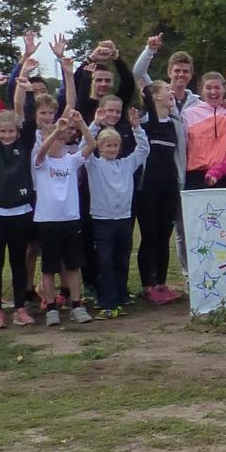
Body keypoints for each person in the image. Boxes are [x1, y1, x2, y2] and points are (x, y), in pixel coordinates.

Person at [0, 96, 39, 330]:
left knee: (18, 262)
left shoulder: (25, 145)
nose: (6, 135)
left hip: (20, 212)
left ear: (17, 132)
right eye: (2, 131)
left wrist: (29, 92)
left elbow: (31, 121)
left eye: (11, 131)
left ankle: (20, 308)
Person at [82, 119, 150, 318]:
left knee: (121, 260)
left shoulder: (127, 163)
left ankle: (121, 296)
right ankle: (106, 301)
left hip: (124, 219)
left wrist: (137, 128)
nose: (112, 149)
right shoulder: (94, 164)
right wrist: (94, 124)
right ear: (100, 147)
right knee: (104, 262)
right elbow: (83, 149)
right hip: (102, 220)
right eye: (108, 145)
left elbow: (144, 149)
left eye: (115, 145)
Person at [32, 108, 92, 324]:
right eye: (56, 139)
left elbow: (92, 145)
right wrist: (54, 131)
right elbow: (41, 153)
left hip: (70, 219)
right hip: (48, 221)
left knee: (73, 265)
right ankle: (51, 308)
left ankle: (76, 305)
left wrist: (82, 123)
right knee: (49, 267)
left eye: (62, 139)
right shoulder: (41, 162)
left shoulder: (71, 160)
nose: (60, 143)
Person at [132, 78, 187, 305]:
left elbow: (179, 155)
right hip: (147, 187)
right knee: (150, 235)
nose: (171, 92)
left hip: (169, 186)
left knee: (165, 235)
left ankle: (161, 284)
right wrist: (150, 51)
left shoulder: (175, 122)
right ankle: (147, 285)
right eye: (166, 89)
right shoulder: (146, 120)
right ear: (154, 95)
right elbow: (138, 73)